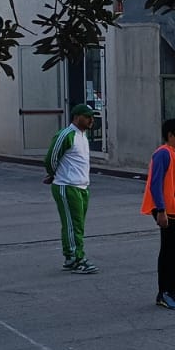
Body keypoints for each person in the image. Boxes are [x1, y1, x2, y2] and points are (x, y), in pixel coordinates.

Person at [143, 119, 175, 311]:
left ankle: (172, 290)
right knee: (170, 249)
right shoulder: (163, 153)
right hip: (167, 209)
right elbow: (155, 184)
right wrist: (161, 210)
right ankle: (164, 293)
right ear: (170, 135)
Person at [43, 104, 99, 274]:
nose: (91, 120)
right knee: (72, 224)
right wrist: (54, 174)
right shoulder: (67, 135)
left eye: (92, 117)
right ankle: (75, 258)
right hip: (67, 186)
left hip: (82, 186)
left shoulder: (83, 136)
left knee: (78, 224)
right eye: (87, 117)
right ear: (76, 117)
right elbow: (51, 158)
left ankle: (72, 257)